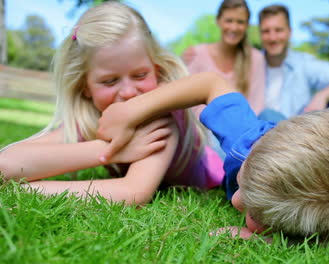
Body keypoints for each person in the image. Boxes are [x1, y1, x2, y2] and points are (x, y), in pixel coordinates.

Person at [96, 72, 329, 263]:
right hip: (269, 125)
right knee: (271, 115)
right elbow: (211, 84)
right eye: (244, 183)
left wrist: (280, 242)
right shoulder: (249, 142)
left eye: (257, 211)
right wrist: (132, 110)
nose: (235, 201)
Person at [0, 2, 224, 205]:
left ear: (156, 71)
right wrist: (110, 150)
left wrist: (28, 191)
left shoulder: (159, 118)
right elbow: (5, 165)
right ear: (85, 86)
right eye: (110, 81)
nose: (128, 92)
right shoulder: (93, 118)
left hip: (211, 170)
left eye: (139, 75)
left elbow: (133, 192)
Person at [258, 4, 329, 122]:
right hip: (260, 134)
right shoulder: (251, 64)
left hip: (296, 132)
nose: (272, 38)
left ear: (289, 32)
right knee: (267, 115)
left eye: (279, 30)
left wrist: (322, 96)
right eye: (266, 31)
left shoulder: (303, 63)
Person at [182, 0, 265, 115]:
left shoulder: (256, 59)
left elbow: (256, 105)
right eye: (229, 21)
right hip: (203, 127)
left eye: (240, 22)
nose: (234, 27)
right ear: (218, 21)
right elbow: (190, 103)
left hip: (241, 127)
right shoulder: (197, 54)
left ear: (247, 25)